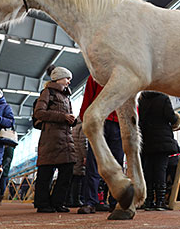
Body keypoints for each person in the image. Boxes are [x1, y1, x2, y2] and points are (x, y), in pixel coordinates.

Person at [77, 75, 124, 214]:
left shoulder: (126, 73)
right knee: (94, 164)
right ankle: (90, 202)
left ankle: (115, 202)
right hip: (99, 122)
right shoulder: (96, 76)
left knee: (117, 165)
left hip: (119, 124)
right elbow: (88, 99)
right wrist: (85, 118)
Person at [33, 65, 77, 213]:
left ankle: (58, 202)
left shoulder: (67, 97)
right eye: (67, 78)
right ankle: (43, 203)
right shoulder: (47, 92)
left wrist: (72, 120)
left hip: (65, 139)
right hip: (50, 138)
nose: (69, 81)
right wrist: (63, 117)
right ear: (58, 78)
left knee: (67, 171)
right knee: (46, 173)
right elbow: (39, 113)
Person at [138, 91, 180, 211]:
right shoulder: (163, 98)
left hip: (146, 140)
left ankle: (149, 201)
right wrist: (176, 117)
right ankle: (160, 201)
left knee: (149, 172)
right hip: (162, 140)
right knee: (160, 170)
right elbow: (171, 117)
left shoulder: (142, 99)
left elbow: (139, 119)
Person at [66, 122, 87, 208]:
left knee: (72, 177)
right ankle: (76, 200)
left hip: (73, 153)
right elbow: (83, 141)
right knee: (78, 178)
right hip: (79, 154)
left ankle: (68, 200)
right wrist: (85, 155)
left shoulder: (75, 125)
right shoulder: (83, 125)